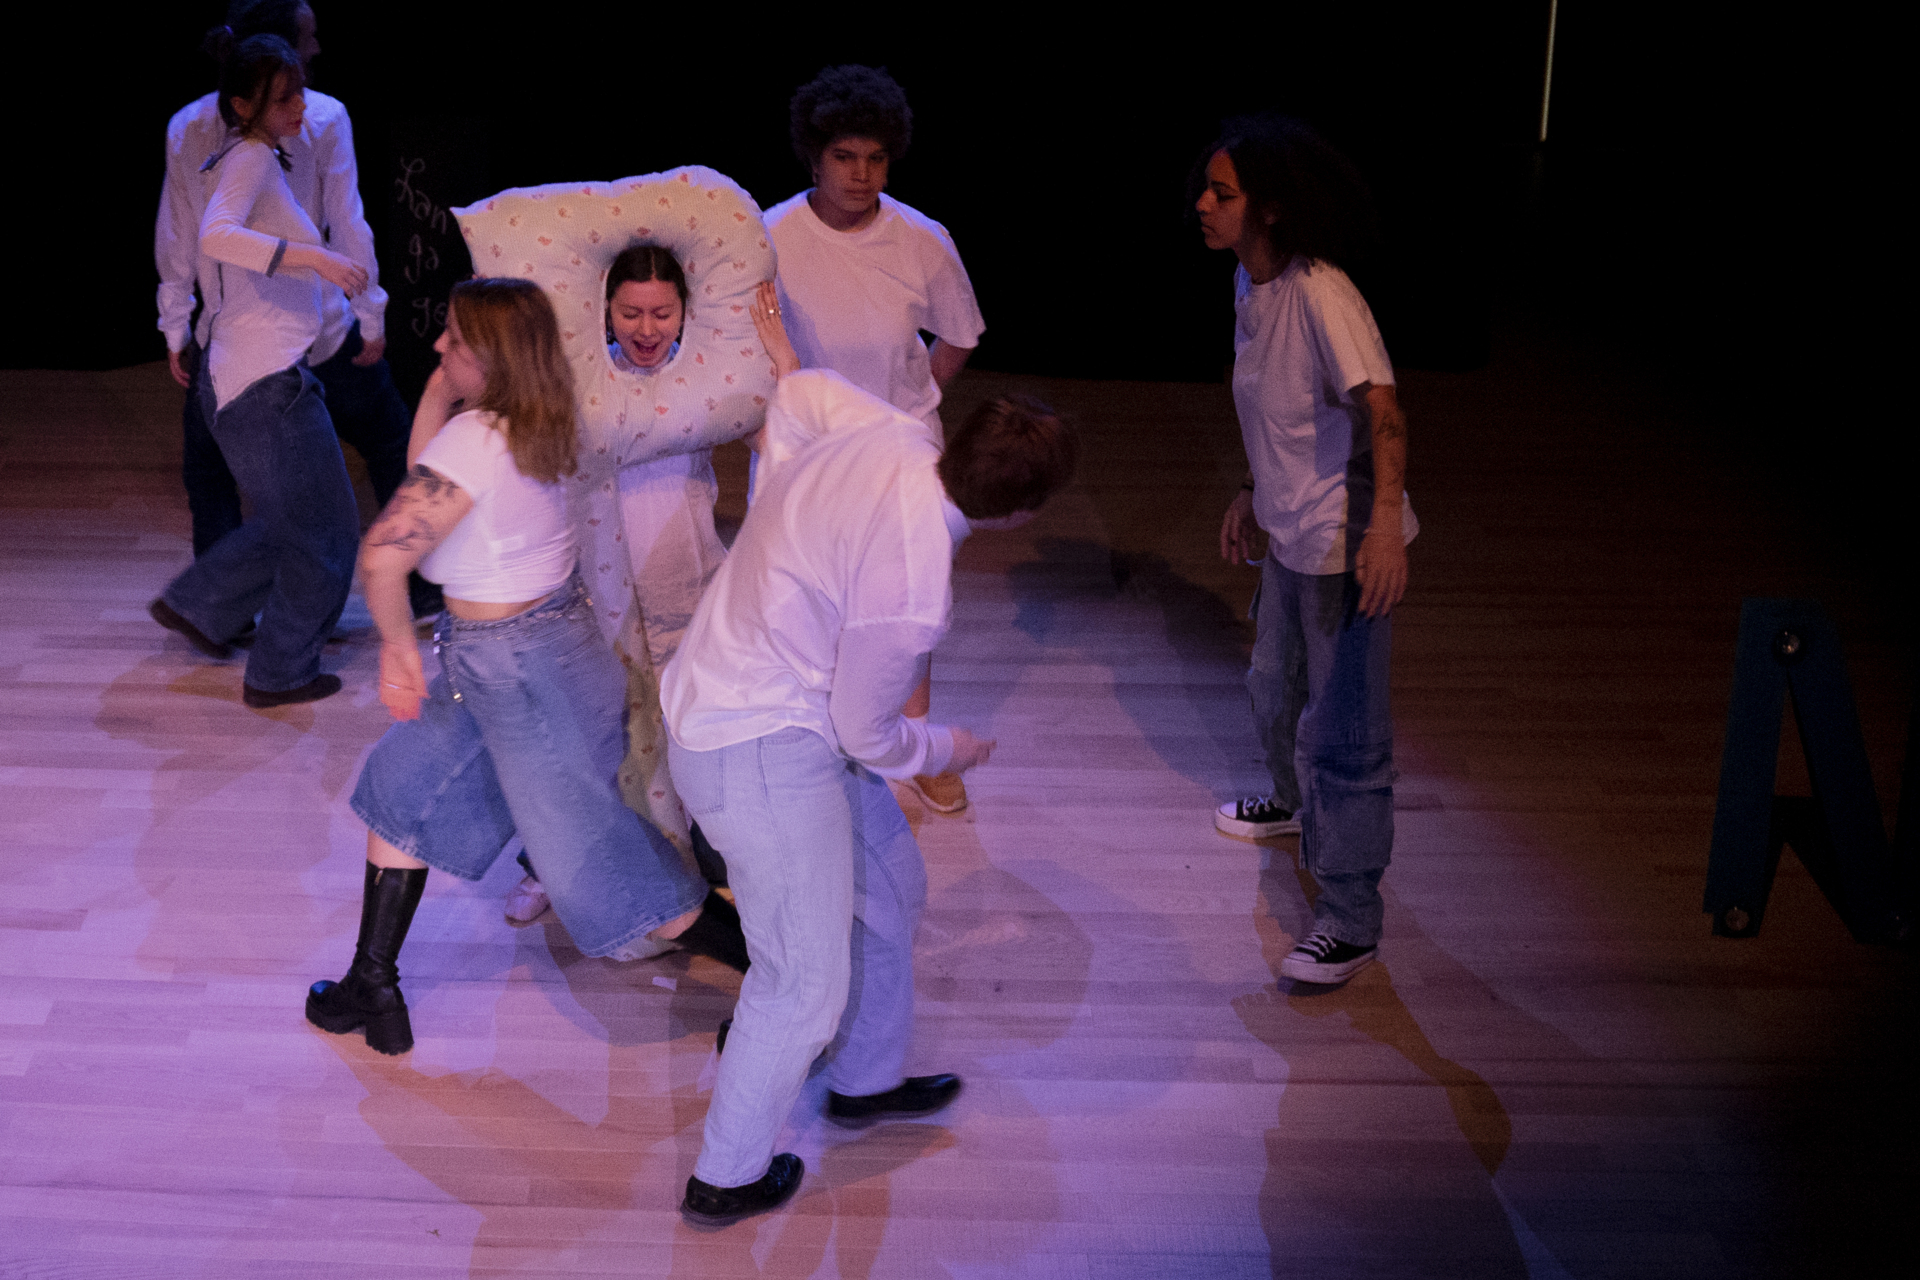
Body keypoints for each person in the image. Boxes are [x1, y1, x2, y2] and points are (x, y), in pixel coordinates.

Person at [657, 294, 1076, 1224]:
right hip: (755, 747)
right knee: (801, 985)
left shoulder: (893, 433)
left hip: (775, 717)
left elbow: (803, 395)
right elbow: (868, 735)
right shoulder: (915, 582)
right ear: (1021, 512)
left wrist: (781, 505)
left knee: (891, 889)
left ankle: (864, 1079)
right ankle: (724, 1177)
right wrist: (950, 747)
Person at [304, 278, 747, 1056]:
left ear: (493, 356)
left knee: (596, 862)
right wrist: (438, 389)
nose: (437, 345)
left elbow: (383, 555)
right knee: (404, 786)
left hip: (518, 676)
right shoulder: (545, 417)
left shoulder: (473, 440)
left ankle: (787, 974)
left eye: (453, 339)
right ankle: (370, 981)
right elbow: (427, 486)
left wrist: (398, 649)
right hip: (537, 656)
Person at [1198, 114, 1416, 986]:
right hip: (1288, 531)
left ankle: (1352, 918)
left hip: (1342, 544)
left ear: (1271, 208)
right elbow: (1278, 407)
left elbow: (1384, 409)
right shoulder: (1250, 284)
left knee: (1346, 736)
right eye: (1206, 189)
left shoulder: (1324, 293)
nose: (1203, 204)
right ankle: (1290, 806)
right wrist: (1252, 490)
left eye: (1222, 193)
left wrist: (1385, 526)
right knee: (1271, 685)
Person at [155, 2, 435, 614]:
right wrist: (364, 305)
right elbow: (215, 233)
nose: (316, 49)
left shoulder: (202, 126)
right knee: (381, 451)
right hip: (298, 333)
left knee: (226, 478)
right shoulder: (302, 125)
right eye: (306, 39)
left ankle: (218, 610)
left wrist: (177, 323)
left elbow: (179, 235)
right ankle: (222, 607)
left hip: (241, 335)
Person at [767, 65, 986, 817]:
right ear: (814, 157)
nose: (861, 174)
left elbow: (959, 335)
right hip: (807, 454)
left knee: (906, 601)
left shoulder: (921, 238)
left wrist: (911, 401)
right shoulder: (771, 236)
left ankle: (915, 744)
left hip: (902, 456)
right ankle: (818, 744)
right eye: (844, 157)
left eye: (875, 158)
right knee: (806, 602)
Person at [501, 244, 731, 930]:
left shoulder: (711, 376)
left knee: (693, 736)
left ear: (685, 311)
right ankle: (550, 864)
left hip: (687, 590)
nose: (647, 328)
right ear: (605, 309)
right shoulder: (583, 377)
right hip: (601, 595)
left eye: (662, 312)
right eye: (631, 312)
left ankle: (706, 866)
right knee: (592, 737)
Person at [149, 34, 368, 708]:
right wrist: (319, 259)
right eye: (282, 98)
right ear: (244, 106)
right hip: (265, 382)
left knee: (292, 521)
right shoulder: (248, 156)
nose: (300, 106)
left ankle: (202, 601)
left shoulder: (250, 156)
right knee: (325, 531)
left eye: (299, 91)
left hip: (252, 375)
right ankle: (280, 671)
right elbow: (215, 235)